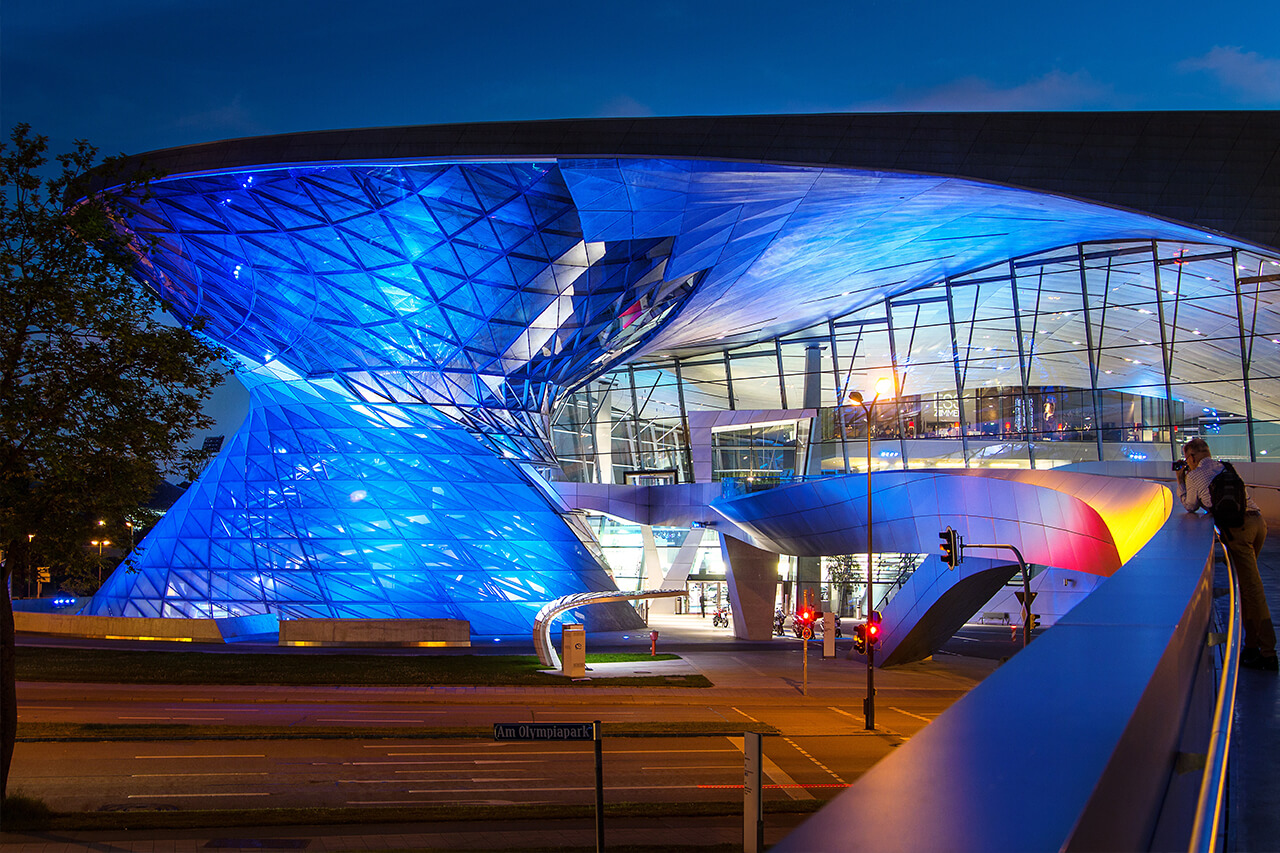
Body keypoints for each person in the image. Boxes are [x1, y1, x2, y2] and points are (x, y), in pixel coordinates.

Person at [1177, 438, 1277, 671]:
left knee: (1253, 590)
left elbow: (1190, 505)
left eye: (1186, 459)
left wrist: (1181, 481)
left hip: (1238, 531)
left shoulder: (1194, 475)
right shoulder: (1225, 466)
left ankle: (1269, 652)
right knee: (1247, 586)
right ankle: (1251, 646)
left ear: (1191, 457)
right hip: (1258, 524)